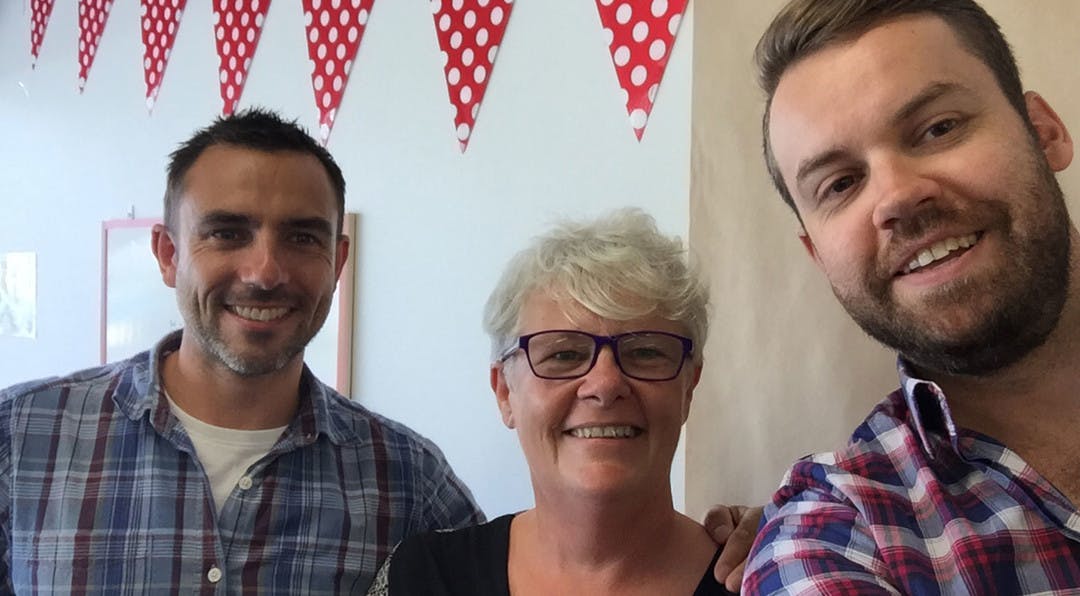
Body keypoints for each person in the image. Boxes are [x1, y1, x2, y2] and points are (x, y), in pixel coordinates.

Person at [0, 108, 484, 593]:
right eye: (227, 233)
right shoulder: (19, 439)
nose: (265, 272)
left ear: (337, 262)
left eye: (301, 237)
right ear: (168, 255)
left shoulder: (410, 482)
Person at [743, 0, 1080, 593]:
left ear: (1045, 133)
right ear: (819, 256)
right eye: (841, 184)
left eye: (938, 128)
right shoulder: (834, 541)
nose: (896, 197)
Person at [368, 208, 735, 595]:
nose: (605, 384)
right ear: (505, 392)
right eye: (564, 355)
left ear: (688, 388)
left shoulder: (768, 579)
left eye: (645, 352)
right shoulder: (420, 576)